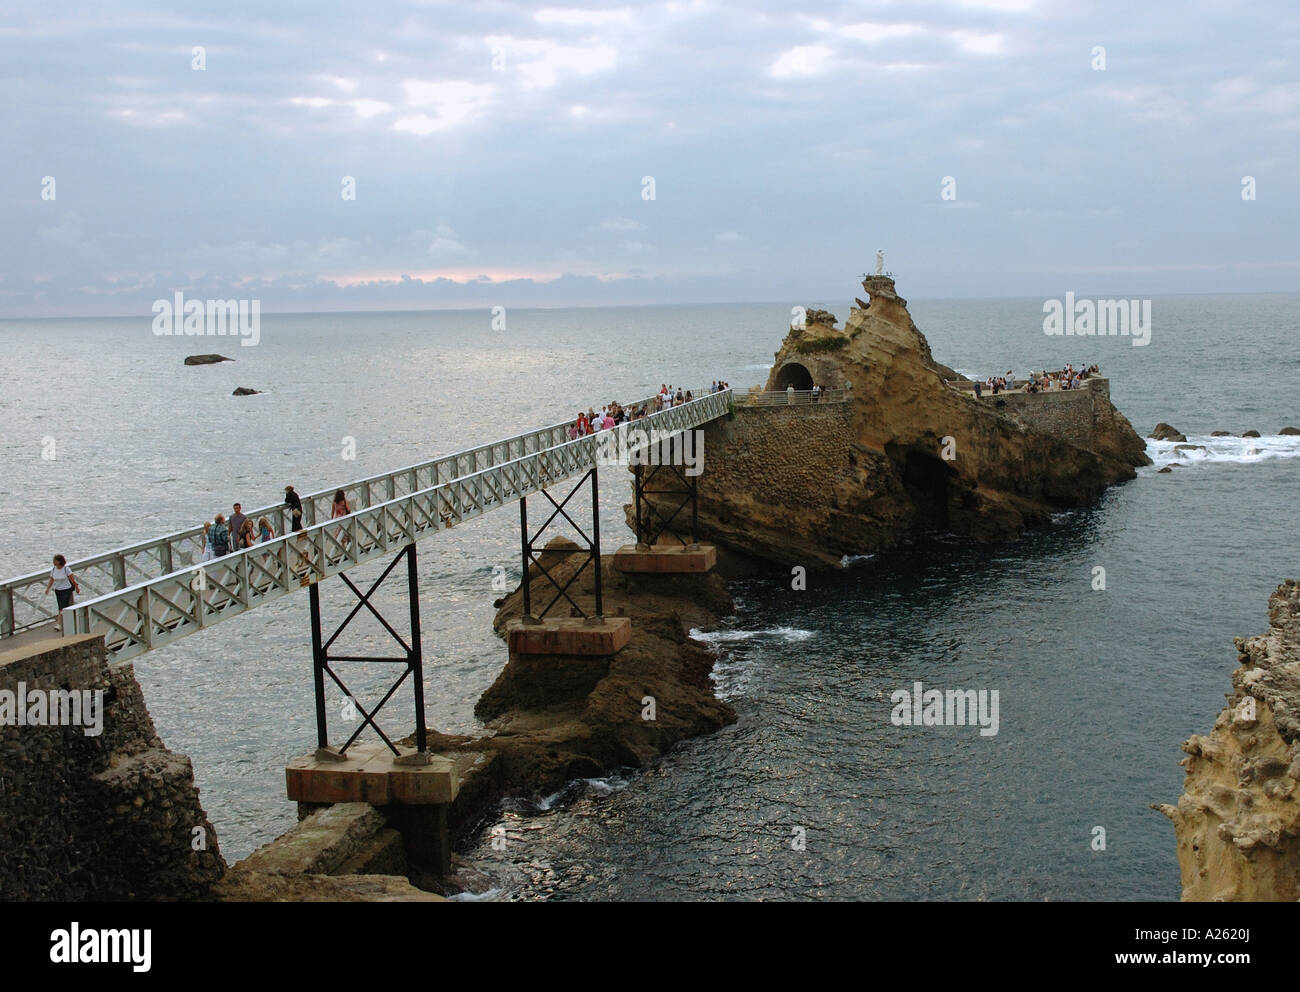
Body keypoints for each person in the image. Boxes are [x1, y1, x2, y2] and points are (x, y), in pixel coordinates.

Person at [45, 555, 81, 630]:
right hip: (58, 590)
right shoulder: (53, 569)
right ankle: (68, 622)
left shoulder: (66, 569)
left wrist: (77, 587)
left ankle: (59, 624)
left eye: (55, 560)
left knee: (62, 608)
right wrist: (48, 588)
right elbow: (51, 580)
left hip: (66, 589)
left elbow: (72, 579)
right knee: (61, 607)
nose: (53, 562)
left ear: (59, 561)